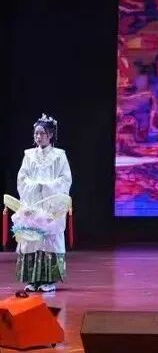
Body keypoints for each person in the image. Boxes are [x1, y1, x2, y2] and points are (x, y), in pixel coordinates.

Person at [15, 114, 72, 293]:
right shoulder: (29, 155)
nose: (38, 136)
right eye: (36, 133)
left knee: (49, 240)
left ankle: (49, 280)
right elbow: (22, 178)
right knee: (32, 240)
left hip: (51, 206)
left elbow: (65, 179)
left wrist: (47, 187)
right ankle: (33, 280)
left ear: (50, 135)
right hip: (33, 203)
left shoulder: (59, 155)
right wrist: (34, 186)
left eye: (42, 133)